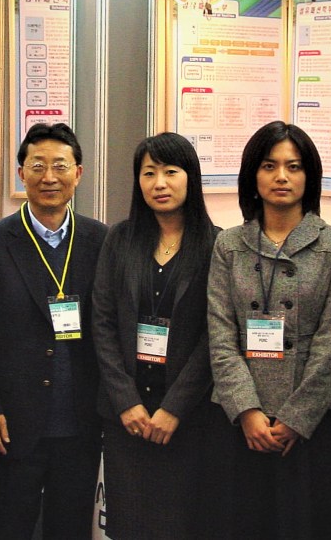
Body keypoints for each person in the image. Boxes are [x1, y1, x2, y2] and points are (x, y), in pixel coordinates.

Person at [207, 121, 331, 539]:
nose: (281, 177)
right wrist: (248, 411)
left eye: (294, 166)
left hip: (311, 423)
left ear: (309, 176)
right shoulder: (229, 244)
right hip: (241, 422)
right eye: (269, 166)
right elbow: (221, 335)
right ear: (252, 176)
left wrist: (295, 418)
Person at [0, 123, 108, 540]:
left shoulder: (100, 240)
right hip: (11, 423)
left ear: (78, 173)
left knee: (70, 528)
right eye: (37, 166)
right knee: (7, 528)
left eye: (60, 166)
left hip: (79, 423)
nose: (49, 177)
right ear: (21, 173)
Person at [92, 133, 225, 539]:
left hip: (188, 419)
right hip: (126, 419)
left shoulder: (217, 244)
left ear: (191, 177)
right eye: (149, 173)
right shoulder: (120, 239)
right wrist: (126, 401)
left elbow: (216, 335)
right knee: (130, 524)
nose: (159, 183)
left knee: (183, 524)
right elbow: (103, 323)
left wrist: (175, 408)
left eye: (171, 172)